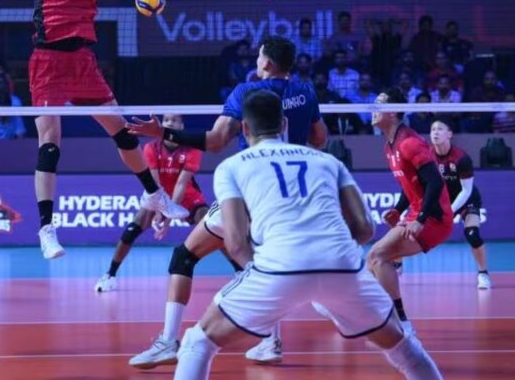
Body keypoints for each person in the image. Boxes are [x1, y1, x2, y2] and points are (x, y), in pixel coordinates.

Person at [171, 90, 442, 380]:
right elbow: (365, 229)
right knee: (404, 348)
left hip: (278, 267)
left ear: (245, 128)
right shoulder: (328, 162)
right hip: (342, 265)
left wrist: (268, 275)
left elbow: (236, 243)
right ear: (284, 124)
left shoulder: (231, 167)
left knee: (197, 342)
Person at [127, 35, 327, 368]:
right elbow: (319, 139)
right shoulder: (306, 92)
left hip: (249, 195)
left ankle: (168, 342)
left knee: (184, 256)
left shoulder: (247, 92)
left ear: (265, 63)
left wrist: (164, 133)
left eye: (259, 56)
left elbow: (217, 141)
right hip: (287, 198)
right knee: (258, 262)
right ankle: (271, 342)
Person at [29, 0, 183, 261]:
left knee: (123, 131)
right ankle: (47, 229)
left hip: (82, 61)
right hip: (46, 60)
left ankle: (155, 195)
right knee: (50, 143)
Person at [367, 87, 452, 337]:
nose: (373, 109)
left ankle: (401, 322)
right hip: (416, 213)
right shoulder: (389, 147)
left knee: (376, 255)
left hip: (434, 219)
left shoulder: (410, 143)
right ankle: (385, 314)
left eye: (379, 103)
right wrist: (398, 208)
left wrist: (421, 219)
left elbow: (435, 182)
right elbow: (411, 184)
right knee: (374, 262)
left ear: (392, 112)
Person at [96, 114, 205, 293]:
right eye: (167, 120)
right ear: (162, 124)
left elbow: (181, 184)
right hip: (158, 194)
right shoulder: (151, 148)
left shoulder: (192, 148)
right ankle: (110, 275)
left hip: (186, 195)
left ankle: (240, 269)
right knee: (131, 230)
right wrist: (158, 209)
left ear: (182, 125)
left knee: (213, 224)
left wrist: (168, 220)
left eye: (175, 120)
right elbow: (154, 183)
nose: (170, 123)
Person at [427, 118, 491, 289]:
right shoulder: (427, 156)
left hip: (466, 198)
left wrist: (449, 210)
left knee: (472, 234)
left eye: (440, 129)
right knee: (413, 228)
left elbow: (466, 190)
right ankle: (398, 265)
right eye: (433, 129)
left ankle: (483, 274)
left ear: (449, 134)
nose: (435, 132)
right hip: (442, 198)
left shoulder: (461, 158)